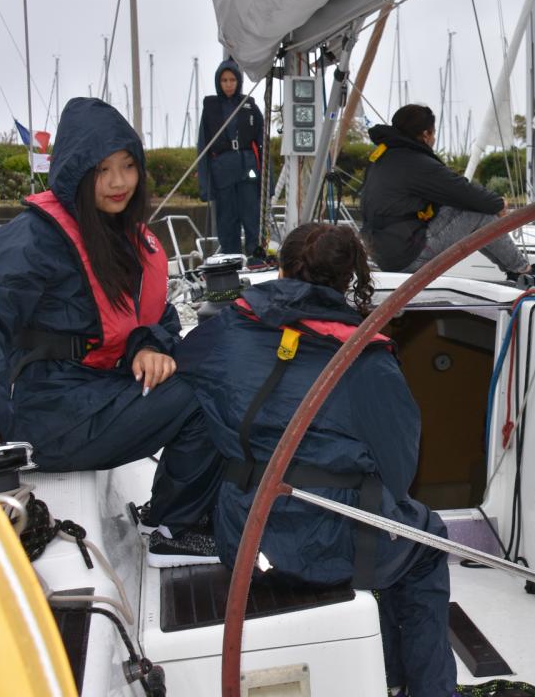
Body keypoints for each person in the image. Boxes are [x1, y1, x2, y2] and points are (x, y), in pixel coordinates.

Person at [175, 222, 456, 697]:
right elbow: (399, 470)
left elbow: (185, 379)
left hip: (244, 536)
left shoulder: (225, 331)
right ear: (348, 279)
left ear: (281, 270)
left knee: (392, 532)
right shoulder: (368, 359)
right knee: (424, 542)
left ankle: (387, 671)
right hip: (332, 546)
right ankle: (421, 687)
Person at [0, 97, 223, 566]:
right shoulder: (33, 238)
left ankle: (173, 515)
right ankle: (172, 529)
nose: (119, 182)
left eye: (128, 166)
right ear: (75, 172)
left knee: (218, 370)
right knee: (207, 396)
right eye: (102, 170)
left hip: (93, 393)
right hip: (44, 412)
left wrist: (147, 345)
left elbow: (154, 317)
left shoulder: (123, 235)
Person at [360, 104, 529, 276]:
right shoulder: (416, 162)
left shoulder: (383, 158)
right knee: (480, 213)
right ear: (426, 134)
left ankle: (516, 270)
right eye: (433, 133)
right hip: (406, 256)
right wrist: (498, 203)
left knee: (464, 208)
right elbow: (462, 191)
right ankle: (523, 272)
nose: (434, 139)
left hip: (382, 253)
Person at [198, 58, 265, 260]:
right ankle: (231, 263)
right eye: (224, 80)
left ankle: (257, 261)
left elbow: (263, 144)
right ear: (218, 82)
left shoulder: (250, 106)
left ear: (238, 82)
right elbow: (203, 147)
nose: (228, 84)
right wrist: (205, 186)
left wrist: (267, 185)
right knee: (227, 224)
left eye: (232, 80)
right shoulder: (210, 108)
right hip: (223, 174)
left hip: (248, 172)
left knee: (252, 220)